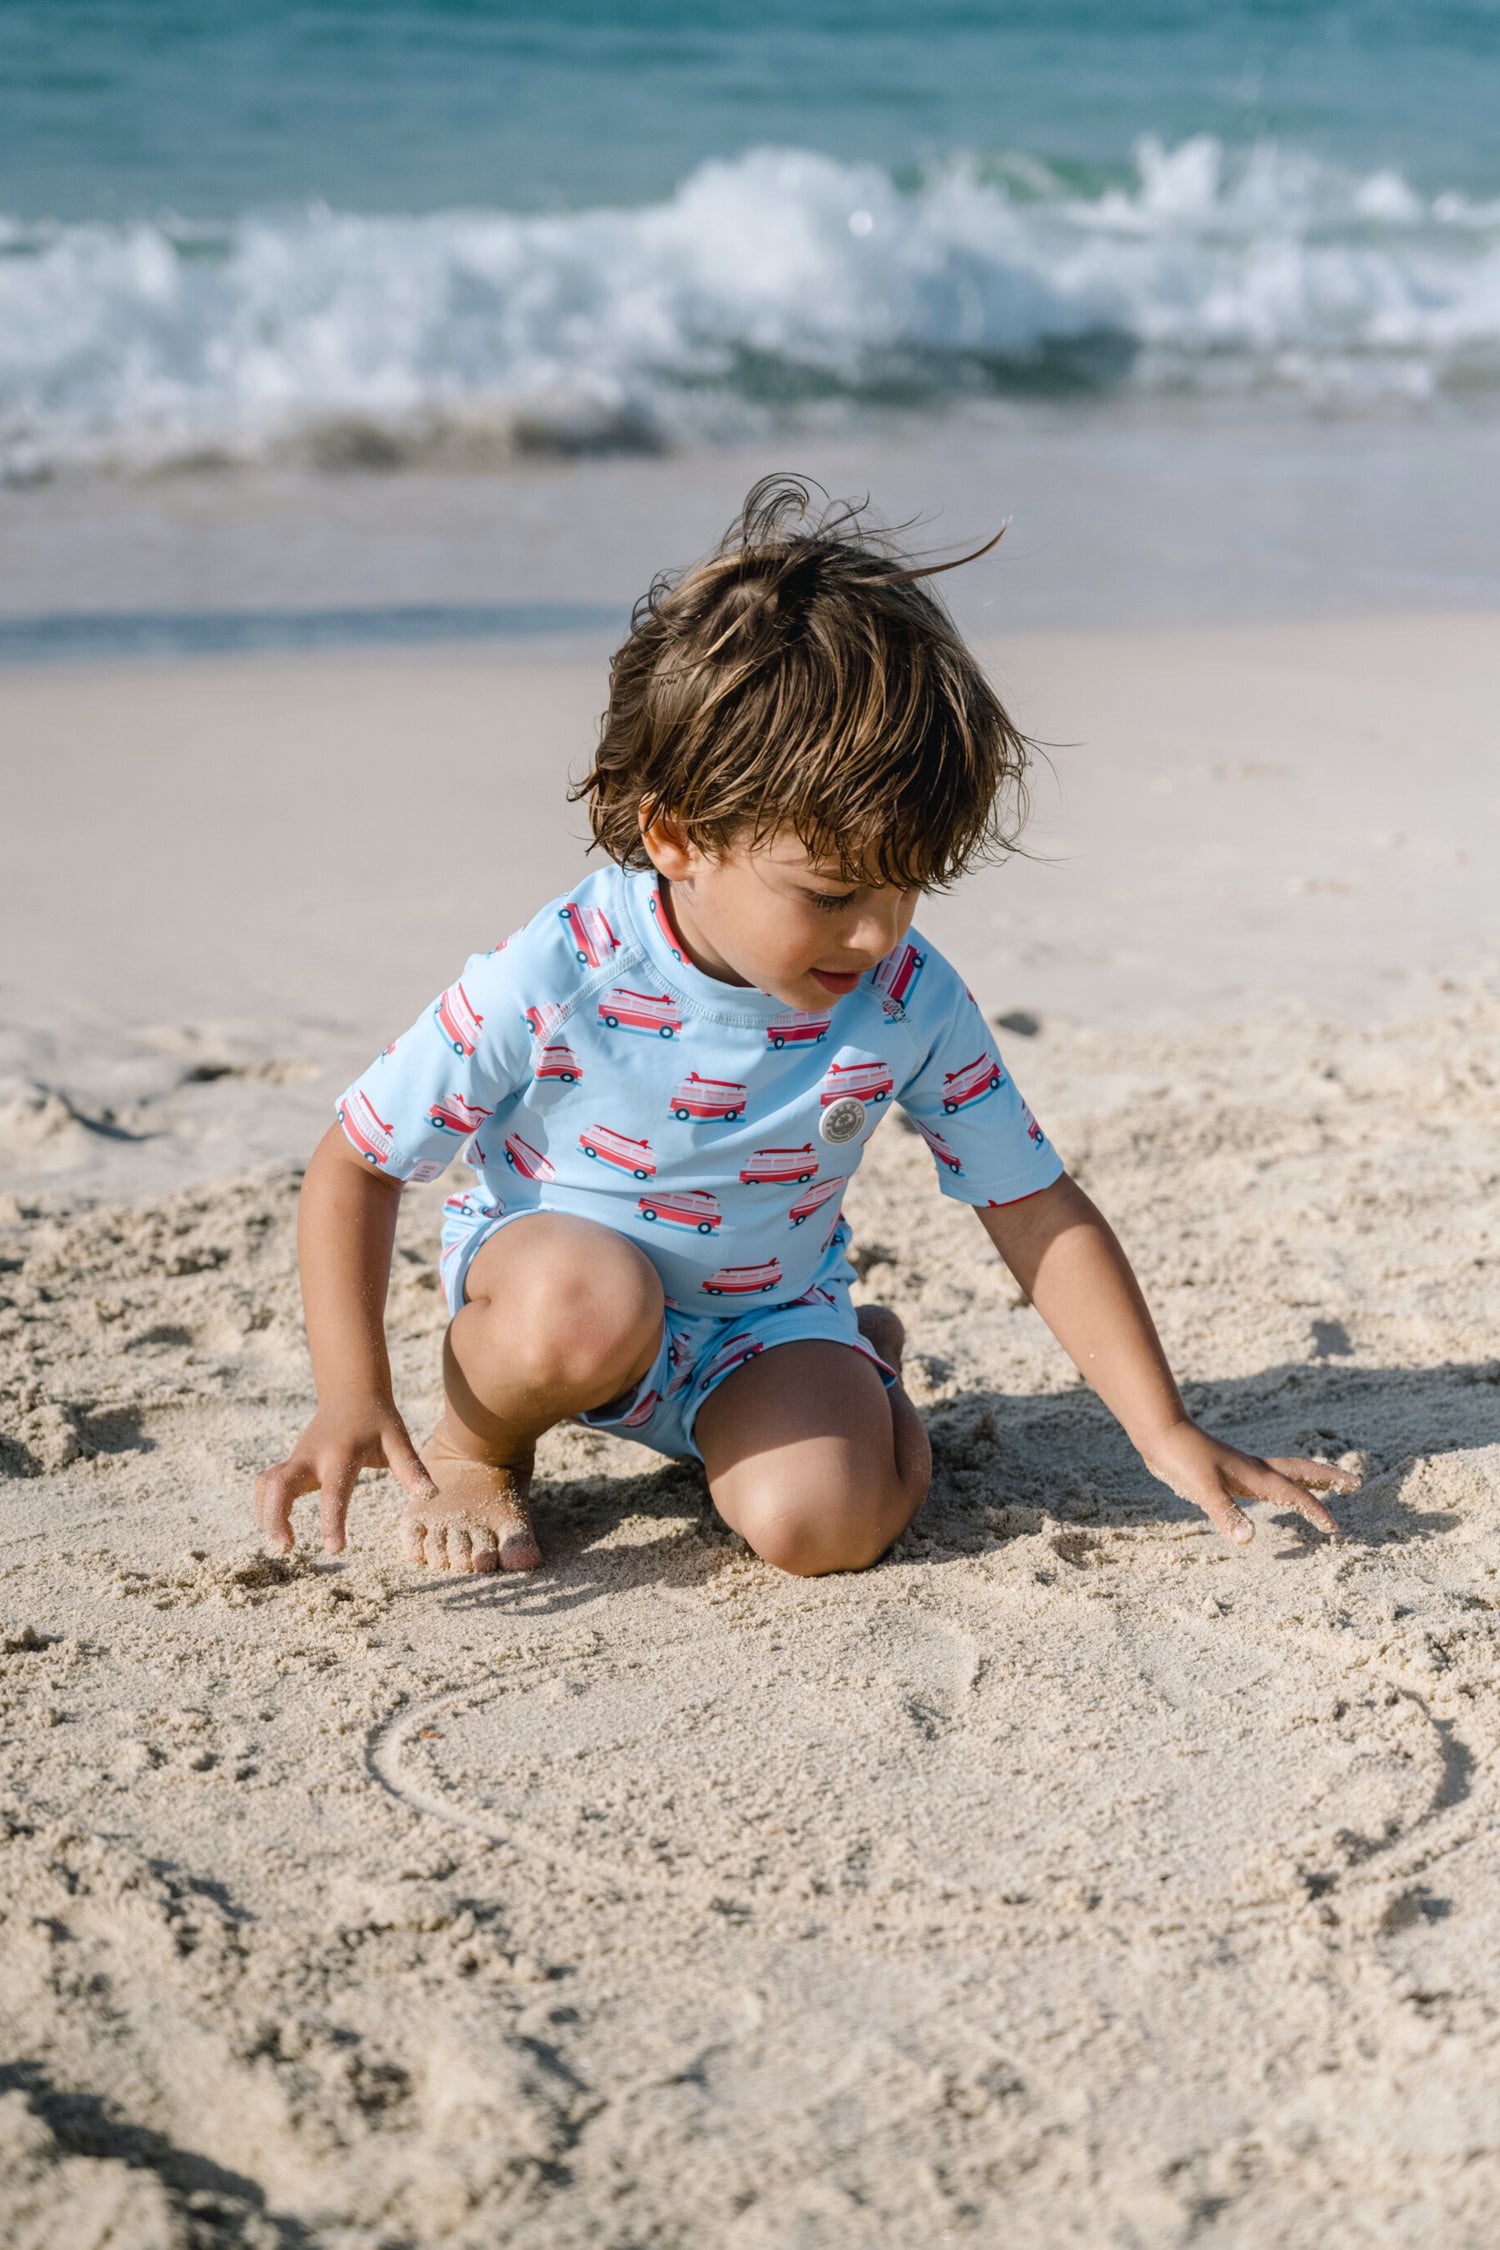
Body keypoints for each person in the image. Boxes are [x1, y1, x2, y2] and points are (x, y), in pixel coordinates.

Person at [253, 477, 1356, 1577]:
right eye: (832, 894)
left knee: (821, 1529)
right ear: (679, 836)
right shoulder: (559, 973)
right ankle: (481, 1448)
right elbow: (356, 1162)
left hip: (767, 1323)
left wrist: (1164, 1429)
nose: (878, 934)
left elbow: (1031, 1204)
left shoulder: (909, 995)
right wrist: (352, 1395)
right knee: (583, 1303)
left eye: (910, 884)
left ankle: (862, 1377)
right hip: (554, 1304)